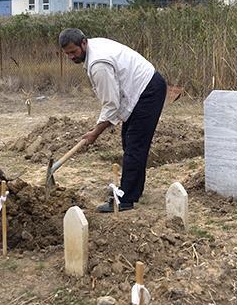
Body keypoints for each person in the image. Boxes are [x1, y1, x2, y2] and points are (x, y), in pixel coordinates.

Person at [58, 28, 167, 212]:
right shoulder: (93, 48)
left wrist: (95, 133)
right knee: (130, 142)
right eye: (67, 53)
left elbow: (111, 105)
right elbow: (113, 102)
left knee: (134, 145)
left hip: (148, 91)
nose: (71, 57)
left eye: (73, 52)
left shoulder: (98, 63)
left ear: (83, 43)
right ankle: (134, 190)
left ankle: (125, 199)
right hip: (139, 90)